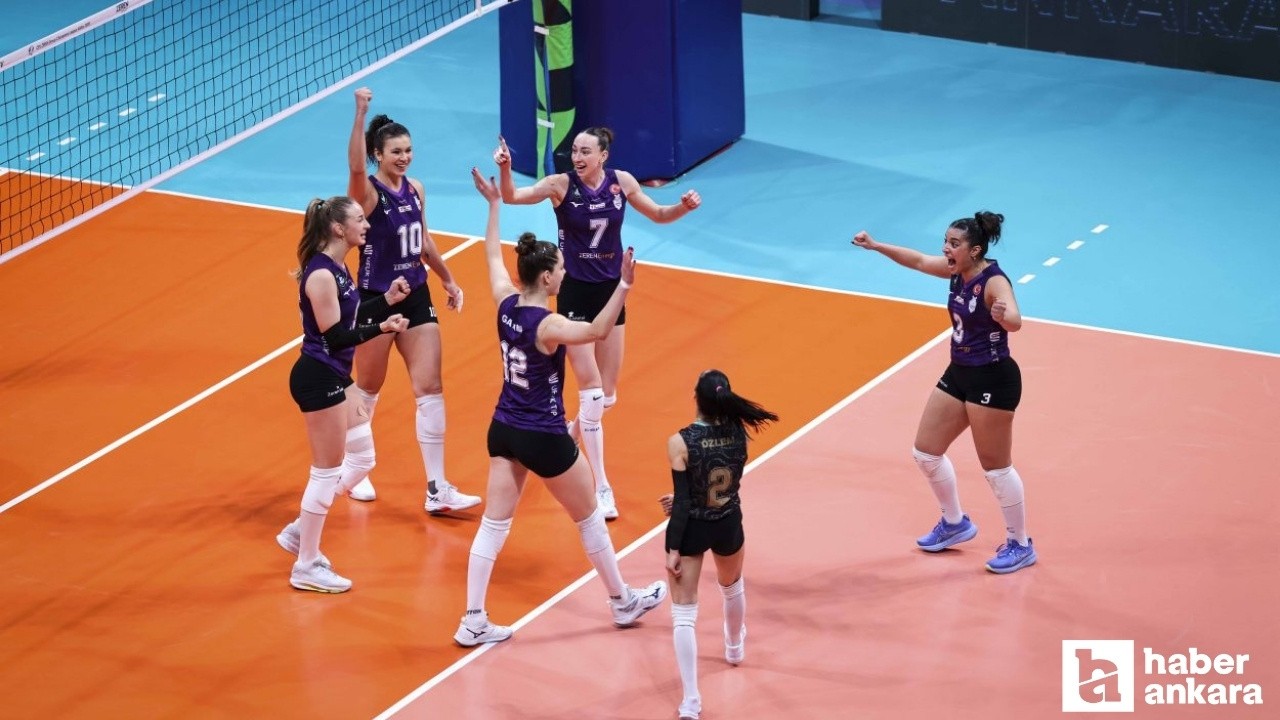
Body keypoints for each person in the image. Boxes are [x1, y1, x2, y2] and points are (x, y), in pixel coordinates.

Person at [454, 168, 667, 647]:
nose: (566, 273)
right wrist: (624, 286)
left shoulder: (505, 302)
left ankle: (473, 618)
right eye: (561, 269)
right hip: (544, 435)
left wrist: (494, 206)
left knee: (493, 526)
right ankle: (622, 601)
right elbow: (596, 331)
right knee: (589, 517)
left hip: (503, 428)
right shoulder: (548, 324)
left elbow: (491, 255)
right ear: (547, 277)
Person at [492, 130, 701, 520]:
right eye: (574, 150)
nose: (577, 156)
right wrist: (505, 169)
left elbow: (659, 215)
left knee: (607, 395)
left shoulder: (622, 182)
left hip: (610, 292)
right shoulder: (560, 186)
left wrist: (683, 207)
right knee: (590, 393)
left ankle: (573, 433)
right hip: (573, 293)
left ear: (603, 155)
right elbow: (512, 196)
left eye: (585, 151)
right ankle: (602, 487)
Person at [850, 211, 1036, 574]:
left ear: (975, 250)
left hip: (993, 379)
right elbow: (919, 261)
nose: (946, 249)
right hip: (960, 372)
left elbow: (1015, 320)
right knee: (926, 452)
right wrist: (875, 246)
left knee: (996, 468)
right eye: (946, 242)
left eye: (954, 244)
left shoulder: (993, 282)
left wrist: (1003, 315)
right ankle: (955, 523)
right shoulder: (956, 272)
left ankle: (1020, 544)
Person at [342, 87, 480, 514]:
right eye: (396, 152)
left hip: (416, 295)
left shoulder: (416, 188)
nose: (404, 158)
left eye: (408, 150)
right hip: (377, 298)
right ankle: (354, 466)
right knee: (368, 386)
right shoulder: (368, 194)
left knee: (431, 388)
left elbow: (423, 241)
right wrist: (360, 112)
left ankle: (437, 488)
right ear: (378, 155)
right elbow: (354, 167)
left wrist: (448, 279)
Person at [277, 196, 410, 593]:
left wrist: (385, 301)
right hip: (319, 377)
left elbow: (349, 314)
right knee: (325, 471)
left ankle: (299, 530)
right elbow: (335, 337)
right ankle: (306, 564)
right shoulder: (320, 275)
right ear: (338, 228)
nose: (366, 225)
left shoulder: (339, 267)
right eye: (359, 220)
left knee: (364, 456)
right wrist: (382, 328)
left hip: (334, 375)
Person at [658, 370, 778, 720]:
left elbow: (683, 503)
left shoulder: (679, 442)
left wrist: (673, 548)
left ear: (695, 398)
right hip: (727, 523)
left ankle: (691, 701)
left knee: (683, 614)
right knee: (732, 587)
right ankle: (734, 647)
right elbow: (726, 481)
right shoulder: (740, 433)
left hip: (693, 527)